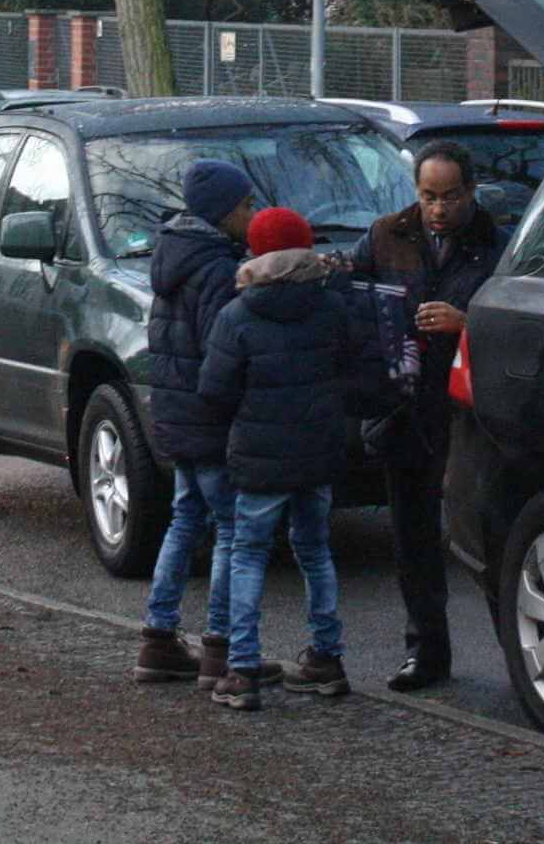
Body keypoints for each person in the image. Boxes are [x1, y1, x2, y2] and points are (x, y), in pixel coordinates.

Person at [197, 205, 383, 711]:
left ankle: (241, 668)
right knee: (316, 551)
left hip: (259, 456)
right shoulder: (331, 308)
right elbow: (355, 369)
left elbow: (213, 391)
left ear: (255, 252)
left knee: (249, 554)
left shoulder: (236, 315)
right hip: (319, 450)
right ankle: (327, 657)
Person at [347, 138, 503, 691]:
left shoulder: (495, 242)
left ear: (471, 192)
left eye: (451, 196)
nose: (439, 208)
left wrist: (468, 322)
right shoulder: (387, 234)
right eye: (429, 196)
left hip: (466, 409)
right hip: (405, 403)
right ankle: (426, 652)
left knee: (485, 533)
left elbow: (513, 320)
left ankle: (516, 655)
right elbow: (358, 301)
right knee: (412, 538)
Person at [132, 158, 258, 685]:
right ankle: (219, 647)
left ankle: (158, 637)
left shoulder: (173, 257)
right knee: (230, 528)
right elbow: (221, 351)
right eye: (246, 206)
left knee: (185, 519)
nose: (252, 215)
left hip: (176, 415)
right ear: (224, 212)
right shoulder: (217, 270)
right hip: (209, 421)